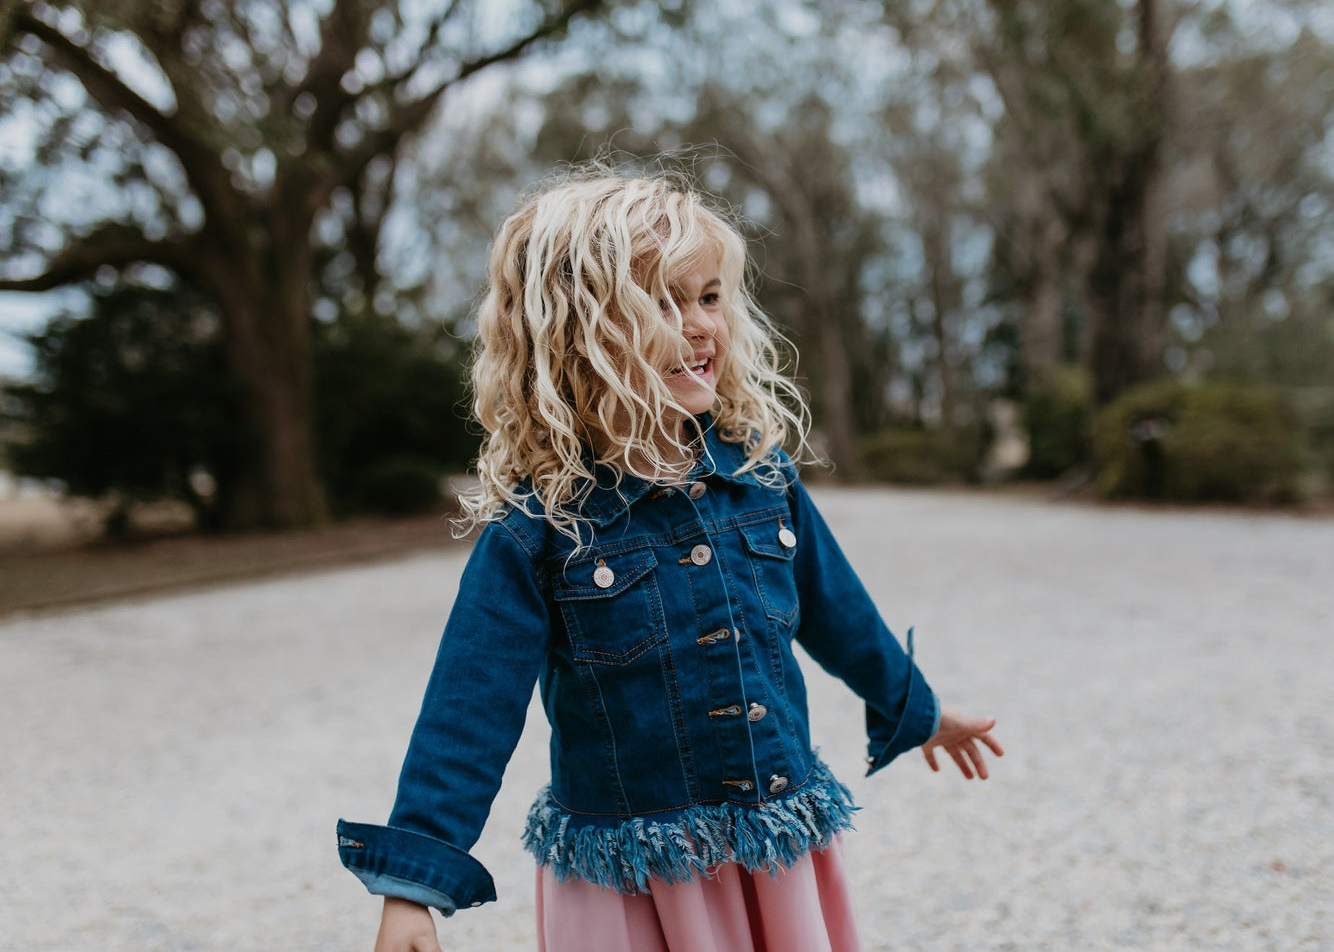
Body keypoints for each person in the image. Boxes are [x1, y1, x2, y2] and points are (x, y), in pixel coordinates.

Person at [336, 171, 1004, 952]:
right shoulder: (539, 529)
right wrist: (415, 888)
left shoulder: (761, 478)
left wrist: (917, 709)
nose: (697, 326)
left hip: (772, 852)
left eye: (709, 297)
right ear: (576, 333)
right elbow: (467, 708)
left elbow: (839, 614)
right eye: (659, 303)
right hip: (636, 880)